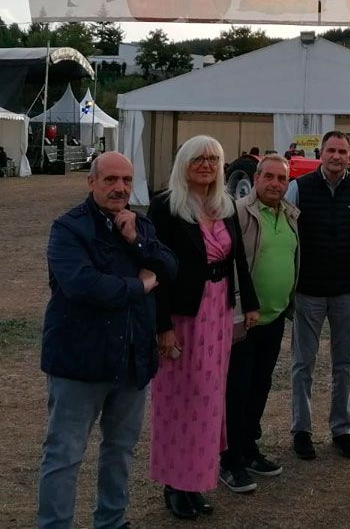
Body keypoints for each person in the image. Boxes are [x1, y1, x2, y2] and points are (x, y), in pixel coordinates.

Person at [36, 152, 178, 529]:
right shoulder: (69, 228)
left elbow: (170, 267)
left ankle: (112, 522)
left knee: (120, 451)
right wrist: (140, 284)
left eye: (127, 181)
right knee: (64, 454)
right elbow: (83, 285)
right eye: (111, 179)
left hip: (132, 360)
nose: (120, 188)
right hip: (80, 360)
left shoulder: (141, 225)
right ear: (91, 182)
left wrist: (136, 242)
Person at [147, 135, 259, 520]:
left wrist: (252, 304)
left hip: (218, 312)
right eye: (199, 158)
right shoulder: (166, 206)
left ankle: (195, 480)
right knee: (180, 400)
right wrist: (162, 326)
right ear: (184, 162)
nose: (207, 165)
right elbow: (155, 271)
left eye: (213, 159)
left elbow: (237, 259)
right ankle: (174, 484)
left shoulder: (224, 204)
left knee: (211, 402)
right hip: (183, 315)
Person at [284, 131, 350, 461]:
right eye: (331, 150)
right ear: (321, 153)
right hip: (308, 290)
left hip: (348, 290)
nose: (336, 156)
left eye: (342, 151)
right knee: (302, 363)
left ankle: (341, 429)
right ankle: (302, 429)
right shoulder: (300, 188)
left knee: (344, 364)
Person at [220, 154, 300, 493]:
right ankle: (230, 460)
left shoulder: (291, 215)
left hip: (275, 316)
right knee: (236, 390)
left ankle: (249, 448)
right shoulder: (239, 213)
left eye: (281, 179)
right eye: (268, 177)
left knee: (260, 385)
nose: (275, 184)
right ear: (255, 179)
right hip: (244, 320)